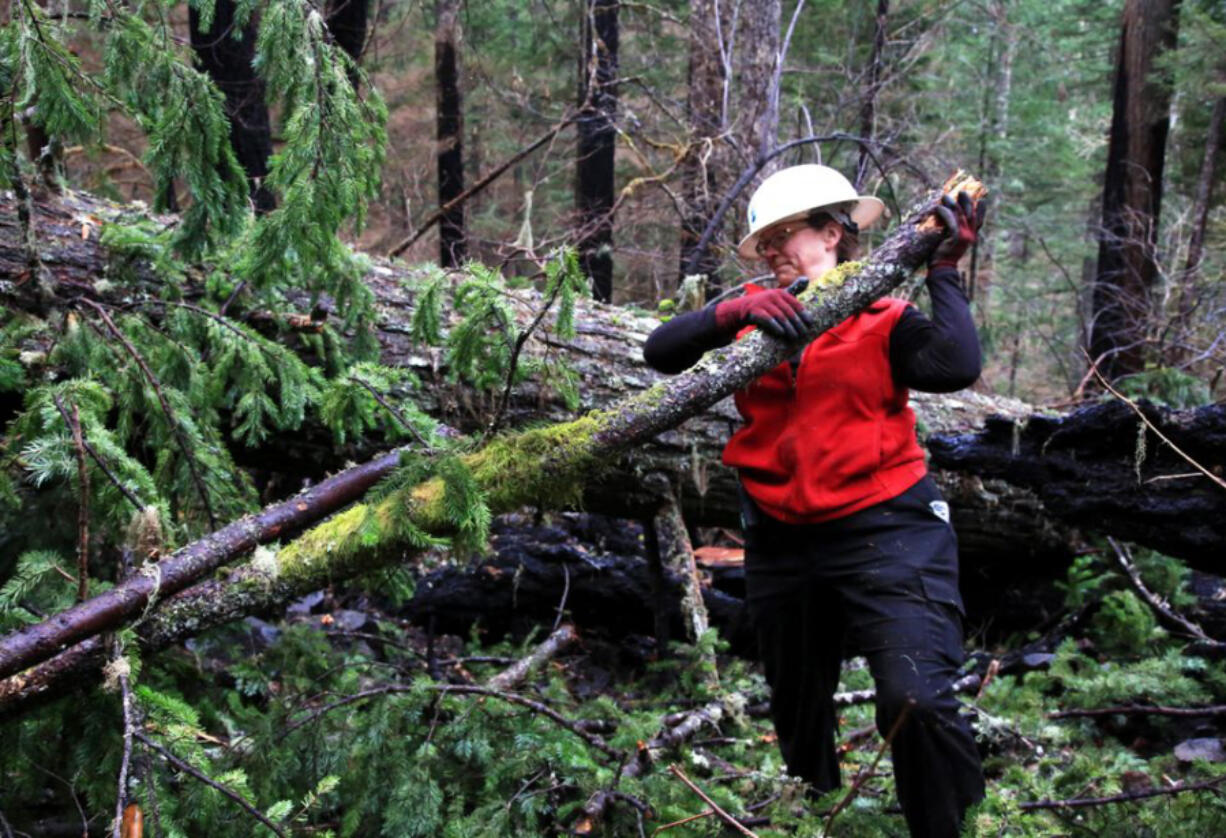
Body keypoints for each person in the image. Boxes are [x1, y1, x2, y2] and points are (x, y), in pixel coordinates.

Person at [643, 164, 987, 837]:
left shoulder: (884, 317)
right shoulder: (753, 322)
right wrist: (732, 310)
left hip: (890, 533)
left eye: (785, 234)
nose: (772, 249)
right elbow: (661, 352)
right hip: (781, 542)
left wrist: (943, 271)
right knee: (798, 705)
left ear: (833, 233)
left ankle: (946, 823)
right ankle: (812, 814)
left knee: (915, 697)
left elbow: (955, 366)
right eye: (762, 241)